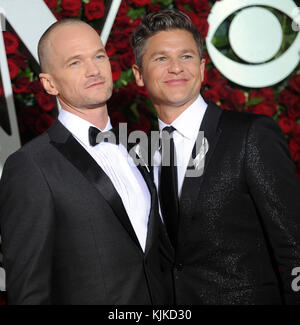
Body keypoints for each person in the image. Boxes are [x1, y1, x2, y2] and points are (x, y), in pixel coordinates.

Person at [131, 9, 300, 305]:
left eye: (186, 57)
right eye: (161, 58)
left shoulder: (249, 136)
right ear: (138, 75)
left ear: (202, 68)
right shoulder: (140, 153)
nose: (176, 68)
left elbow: (294, 244)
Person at [0, 19, 173, 305]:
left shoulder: (138, 147)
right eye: (75, 63)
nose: (94, 70)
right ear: (49, 83)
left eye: (99, 56)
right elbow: (29, 292)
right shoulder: (31, 166)